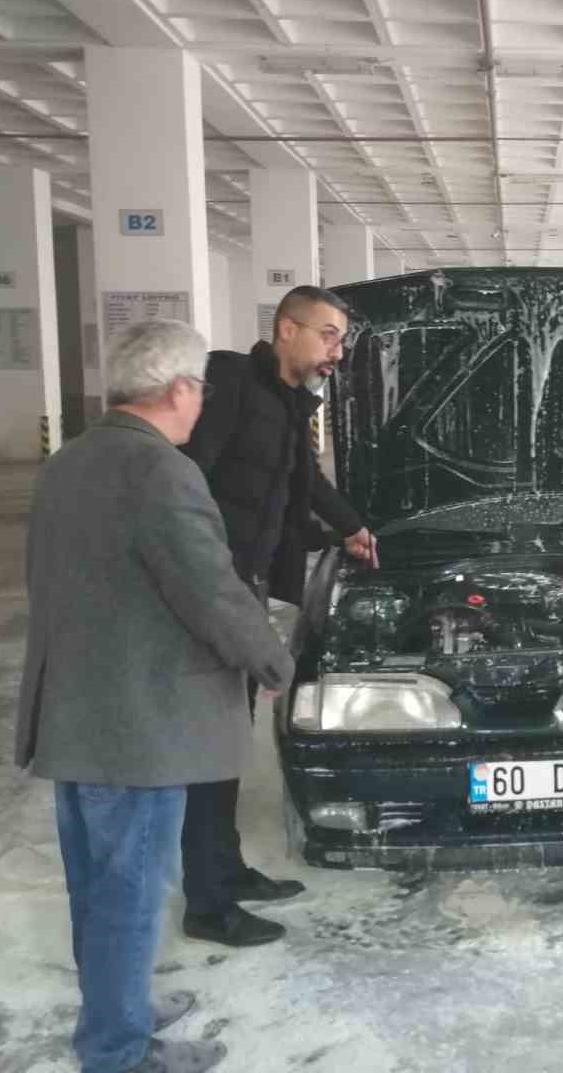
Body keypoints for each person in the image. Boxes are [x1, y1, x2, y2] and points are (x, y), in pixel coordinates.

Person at [16, 319, 294, 1073]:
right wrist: (273, 662)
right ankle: (117, 1053)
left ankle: (120, 1011)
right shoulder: (161, 472)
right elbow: (212, 593)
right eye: (200, 385)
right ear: (178, 388)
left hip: (76, 714)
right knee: (130, 898)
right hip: (136, 726)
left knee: (100, 889)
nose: (202, 400)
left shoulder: (71, 459)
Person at [177, 284, 375, 948]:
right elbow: (187, 483)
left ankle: (225, 873)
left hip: (248, 589)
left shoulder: (291, 405)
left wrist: (351, 527)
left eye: (340, 339)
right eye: (327, 335)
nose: (335, 351)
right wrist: (211, 584)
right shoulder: (231, 379)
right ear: (286, 329)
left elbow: (303, 485)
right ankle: (207, 904)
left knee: (231, 740)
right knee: (209, 746)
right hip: (215, 594)